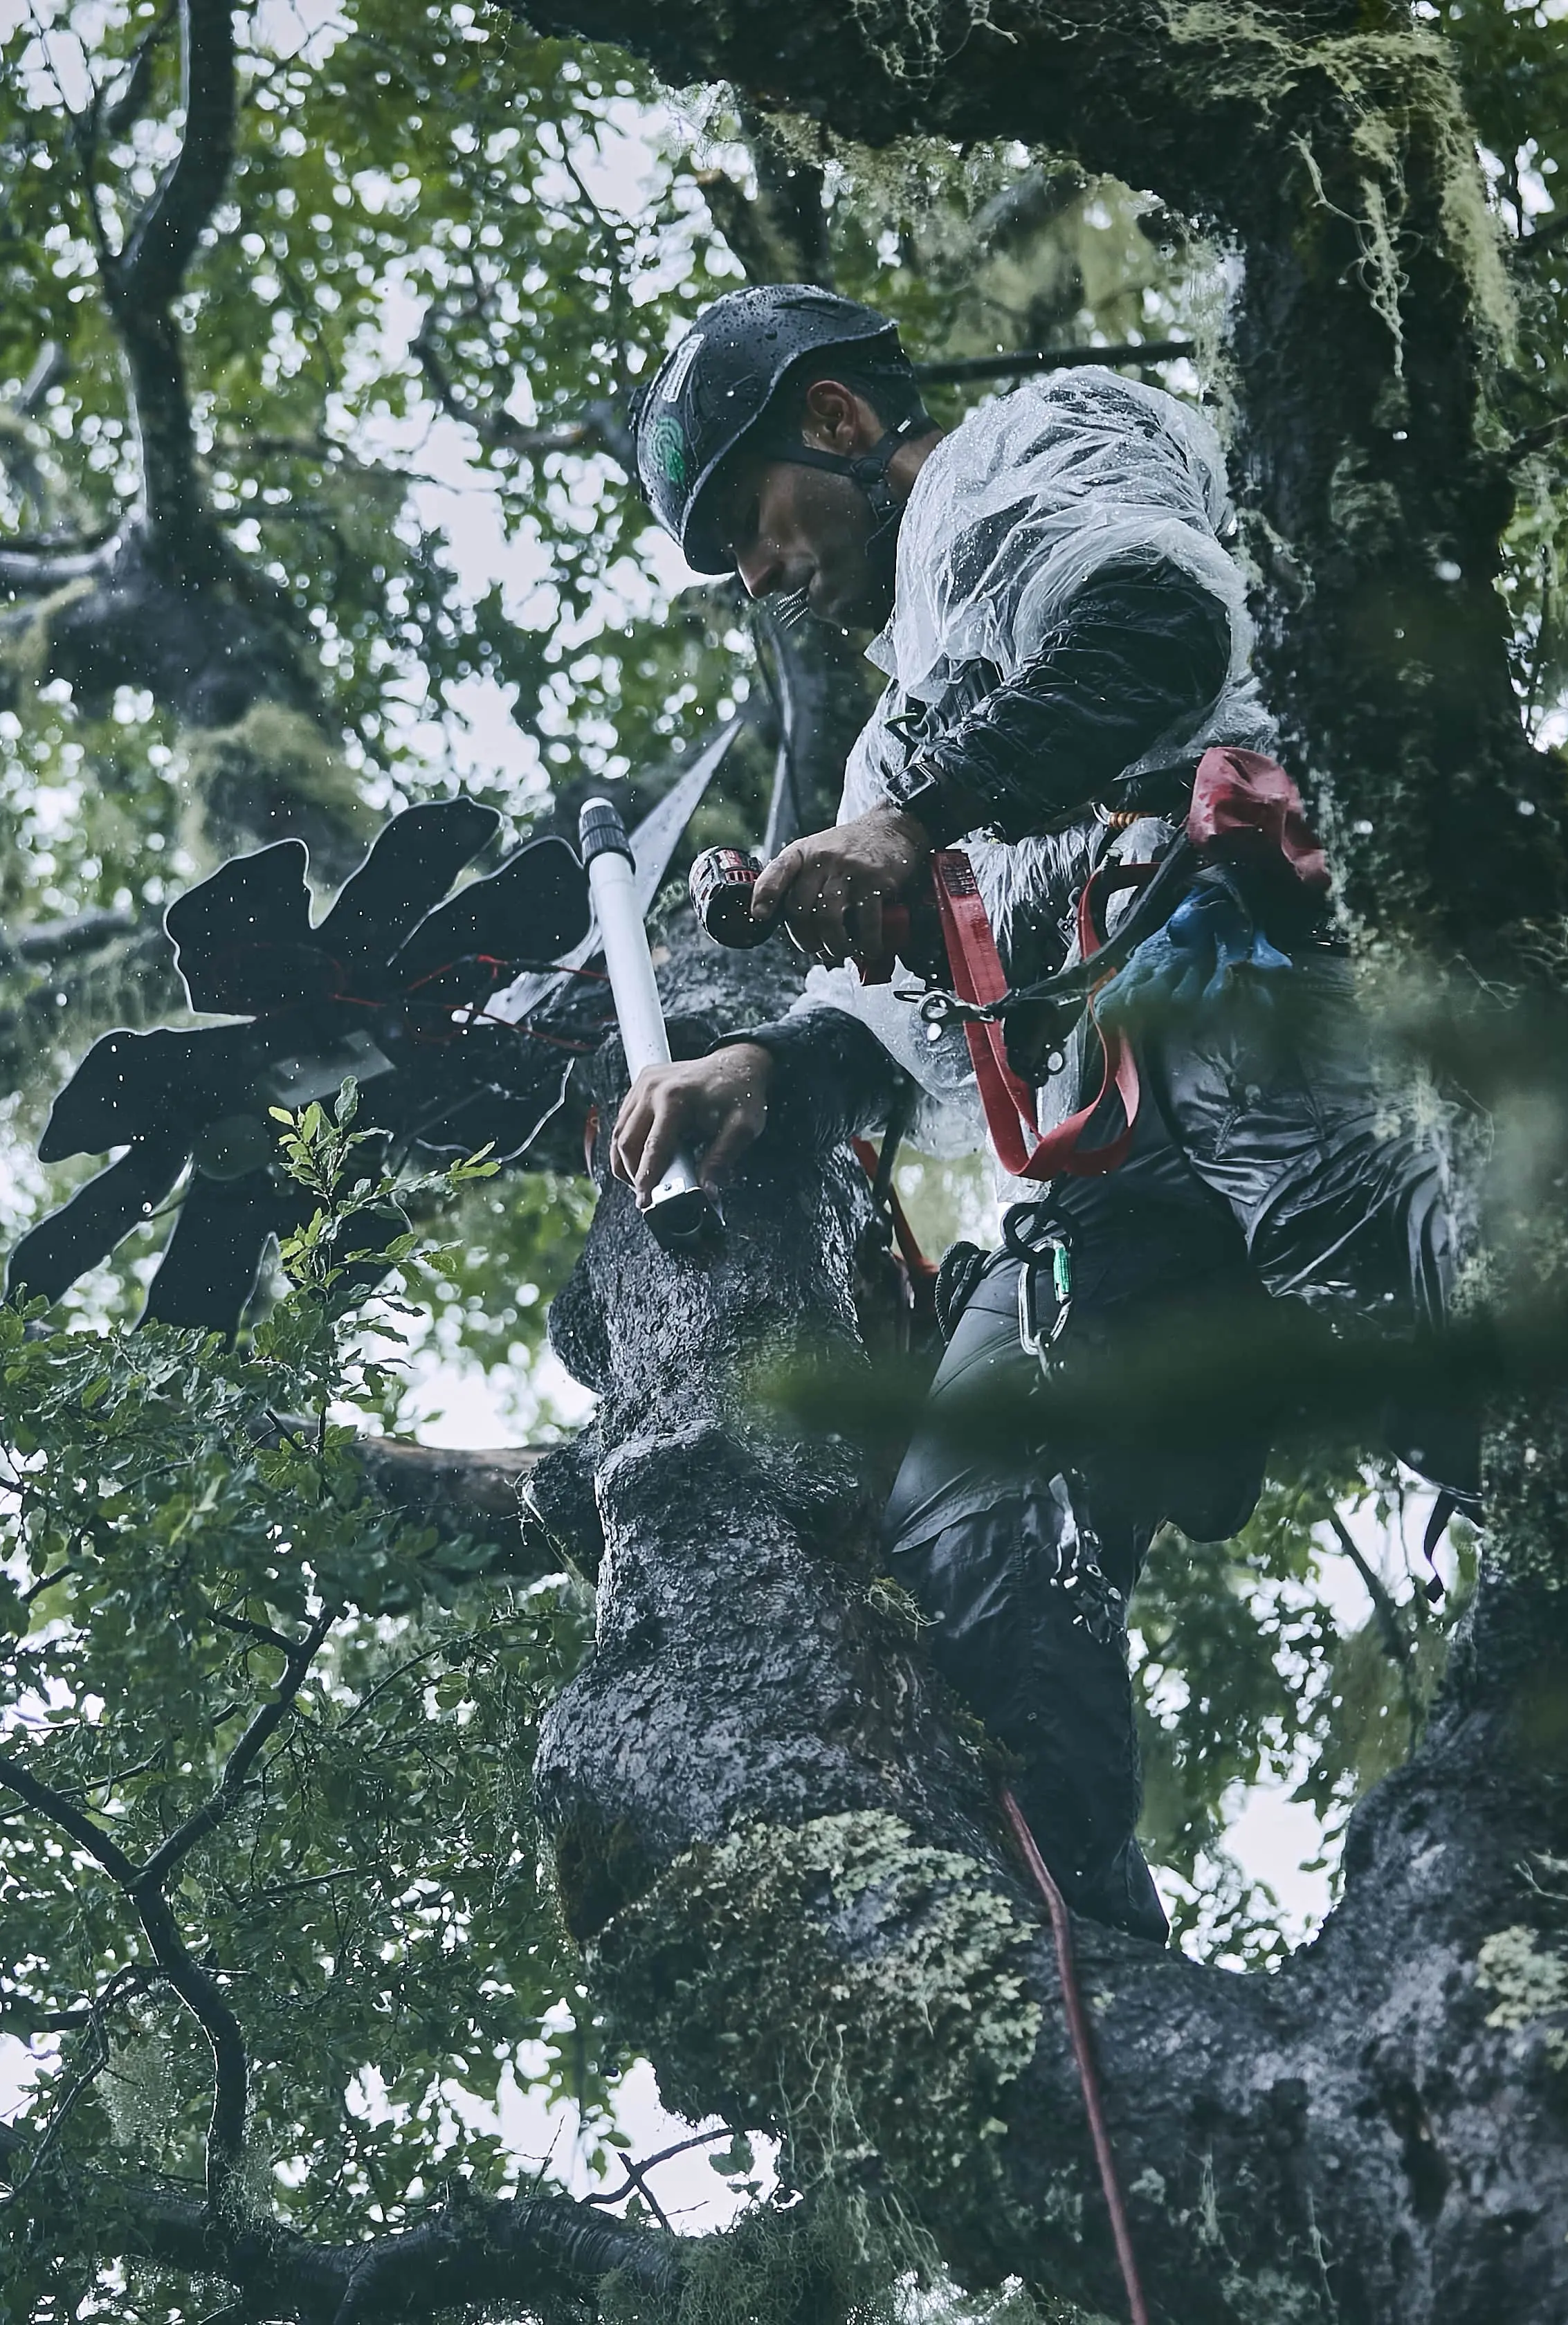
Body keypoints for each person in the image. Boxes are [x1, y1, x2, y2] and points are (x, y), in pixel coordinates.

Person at [612, 285, 1464, 1940]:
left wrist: (912, 822)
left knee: (1381, 1268)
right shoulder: (889, 745)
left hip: (1244, 974)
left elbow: (1155, 623)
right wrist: (771, 1060)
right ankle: (1095, 1972)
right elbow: (898, 1013)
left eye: (752, 524)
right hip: (1106, 1157)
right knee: (970, 1517)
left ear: (839, 426)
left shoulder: (1020, 455)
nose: (761, 578)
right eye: (725, 566)